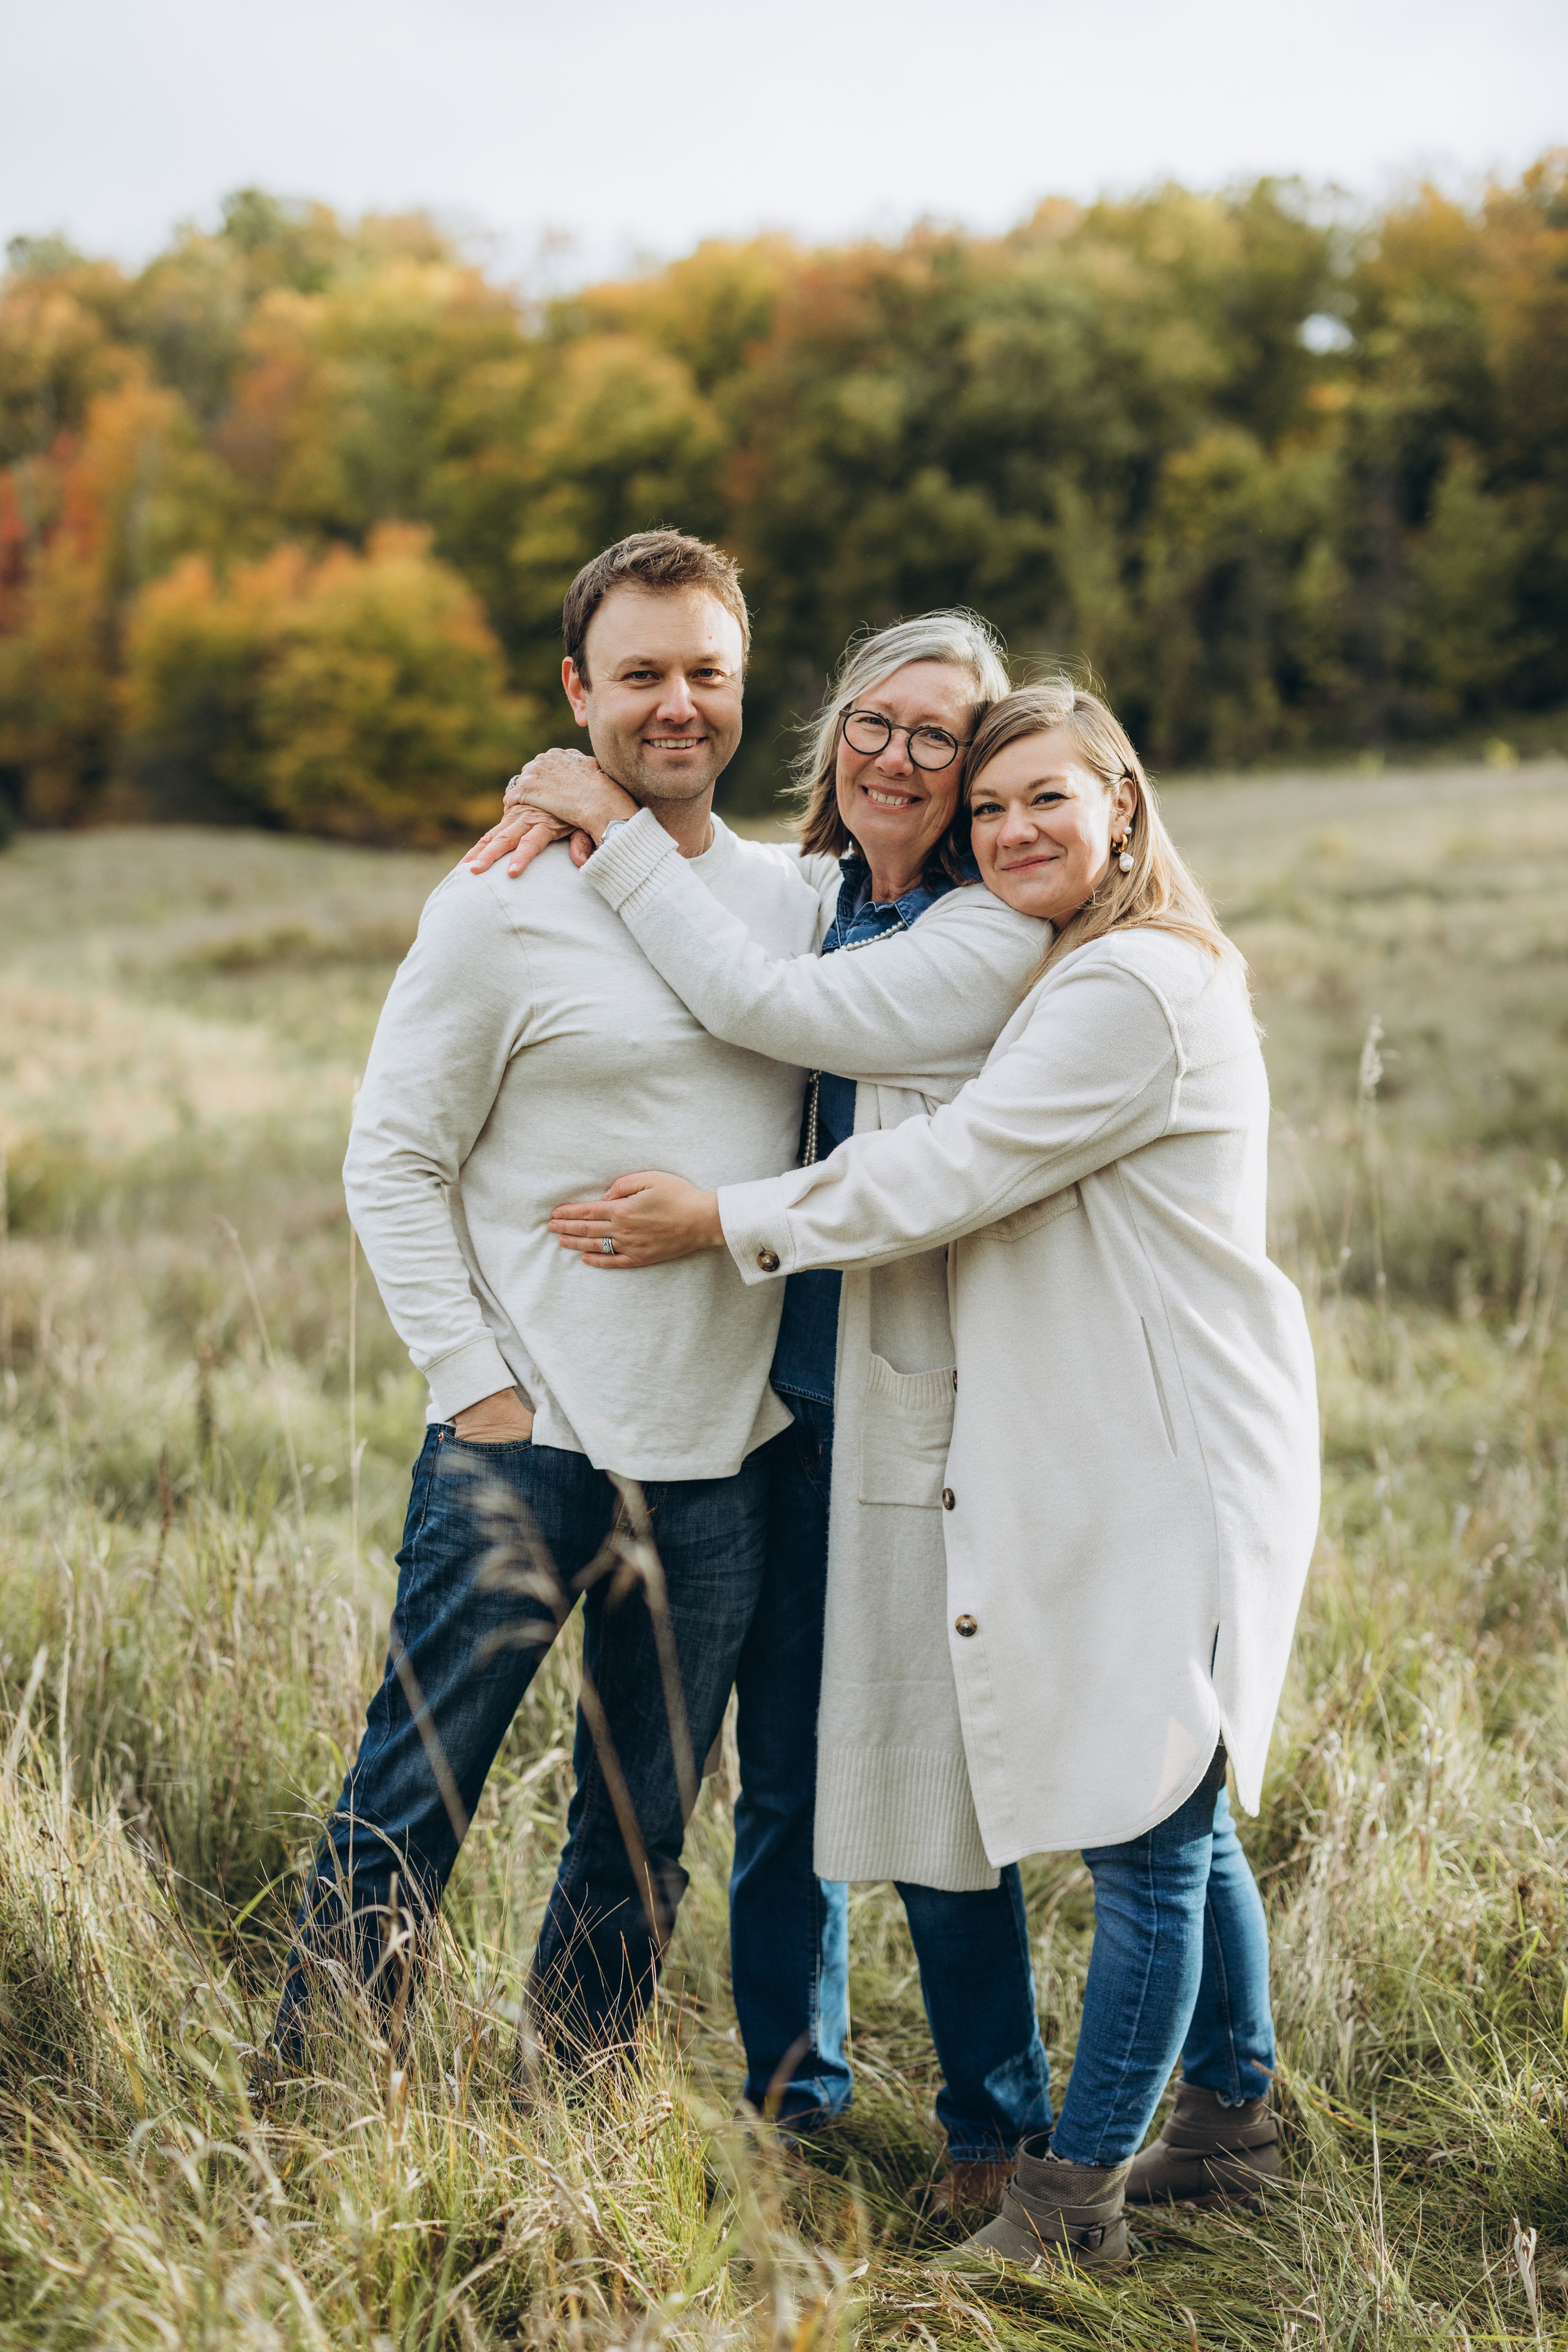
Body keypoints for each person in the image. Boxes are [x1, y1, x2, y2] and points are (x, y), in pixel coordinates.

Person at [537, 679, 1321, 2268]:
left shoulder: (1129, 992)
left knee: (1150, 1839)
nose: (1013, 829)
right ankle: (1233, 2122)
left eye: (1049, 798)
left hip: (1164, 1450)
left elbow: (947, 1172)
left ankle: (1067, 2202)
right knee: (1189, 1806)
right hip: (1136, 1431)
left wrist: (724, 1219)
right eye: (990, 809)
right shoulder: (1090, 963)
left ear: (1125, 801)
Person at [470, 613, 1058, 2201]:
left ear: (983, 765)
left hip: (911, 1425)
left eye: (941, 735)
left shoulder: (975, 935)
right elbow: (720, 926)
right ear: (834, 735)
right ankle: (795, 2098)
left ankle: (1000, 2121)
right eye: (874, 720)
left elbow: (757, 1011)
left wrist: (593, 817)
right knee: (785, 1776)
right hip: (778, 1410)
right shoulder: (822, 901)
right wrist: (565, 784)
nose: (897, 755)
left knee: (921, 1773)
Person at [273, 527, 849, 2082]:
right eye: (641, 673)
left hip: (718, 1454)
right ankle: (313, 2099)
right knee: (415, 1791)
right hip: (522, 1447)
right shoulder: (498, 901)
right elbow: (388, 1159)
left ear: (742, 690)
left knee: (641, 1829)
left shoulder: (797, 905)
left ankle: (568, 2111)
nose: (677, 705)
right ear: (575, 690)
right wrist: (481, 1392)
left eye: (706, 674)